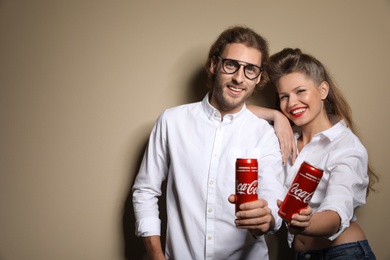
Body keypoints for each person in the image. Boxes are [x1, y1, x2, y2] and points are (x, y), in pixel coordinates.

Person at [132, 26, 299, 260]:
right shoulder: (172, 121)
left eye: (250, 70)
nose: (239, 78)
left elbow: (273, 199)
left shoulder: (264, 134)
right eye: (231, 64)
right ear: (214, 65)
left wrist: (268, 217)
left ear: (259, 77)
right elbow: (145, 191)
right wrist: (155, 254)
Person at [250, 48, 378, 259]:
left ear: (323, 90)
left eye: (300, 91)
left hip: (343, 253)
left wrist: (307, 221)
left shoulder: (347, 147)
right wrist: (275, 115)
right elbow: (232, 111)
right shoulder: (283, 137)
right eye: (284, 96)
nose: (291, 104)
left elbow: (337, 212)